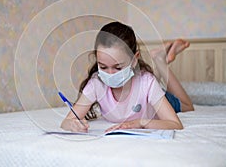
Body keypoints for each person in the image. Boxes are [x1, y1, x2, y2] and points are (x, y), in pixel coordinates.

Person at [61, 21, 194, 133]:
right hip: (146, 92)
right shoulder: (97, 83)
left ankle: (160, 60)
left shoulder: (146, 82)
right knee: (150, 82)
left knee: (187, 106)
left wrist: (141, 123)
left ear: (134, 60)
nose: (110, 74)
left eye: (118, 68)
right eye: (103, 67)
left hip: (153, 98)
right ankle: (158, 60)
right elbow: (67, 121)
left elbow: (175, 124)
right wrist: (72, 124)